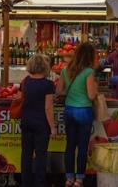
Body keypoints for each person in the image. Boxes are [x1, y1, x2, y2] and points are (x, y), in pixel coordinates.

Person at [57, 43, 98, 187]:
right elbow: (91, 95)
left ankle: (68, 178)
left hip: (69, 110)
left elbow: (59, 91)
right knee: (82, 147)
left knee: (70, 146)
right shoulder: (88, 72)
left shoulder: (65, 70)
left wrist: (71, 92)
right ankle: (79, 179)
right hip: (84, 111)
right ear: (90, 56)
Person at [20, 54, 56, 187]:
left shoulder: (25, 82)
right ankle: (40, 183)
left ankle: (25, 183)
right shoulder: (48, 84)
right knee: (41, 156)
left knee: (26, 155)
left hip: (26, 121)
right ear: (45, 66)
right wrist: (52, 127)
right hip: (41, 124)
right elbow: (48, 108)